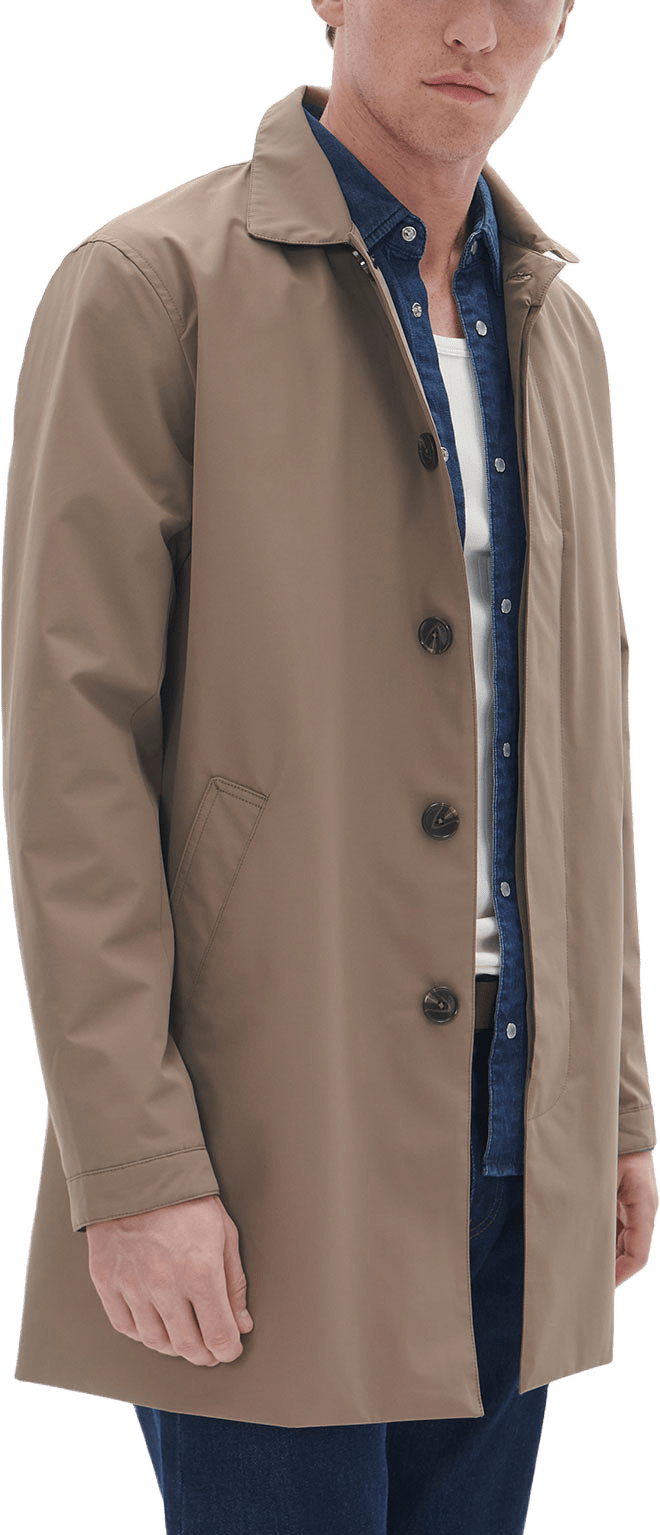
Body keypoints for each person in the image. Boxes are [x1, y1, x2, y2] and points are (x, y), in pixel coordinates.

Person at [2, 2, 658, 1532]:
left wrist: (614, 1104)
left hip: (517, 1115)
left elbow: (582, 743)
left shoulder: (559, 331)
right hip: (268, 1124)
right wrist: (136, 1164)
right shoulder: (149, 287)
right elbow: (71, 758)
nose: (478, 28)